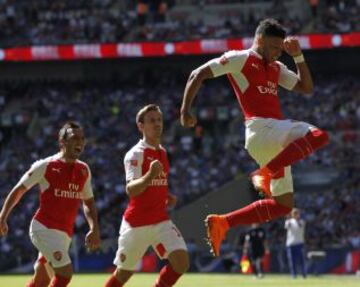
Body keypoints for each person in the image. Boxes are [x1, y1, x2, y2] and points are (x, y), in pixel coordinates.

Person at [180, 18, 329, 256]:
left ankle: (223, 222)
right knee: (319, 135)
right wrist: (185, 111)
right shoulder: (241, 58)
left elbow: (306, 88)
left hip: (272, 141)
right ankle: (265, 174)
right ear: (259, 40)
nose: (278, 53)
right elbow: (196, 75)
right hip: (261, 129)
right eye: (274, 47)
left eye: (281, 49)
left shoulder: (276, 67)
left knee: (283, 205)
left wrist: (298, 56)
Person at [0, 121, 101, 287]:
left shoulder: (84, 170)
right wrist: (2, 216)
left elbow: (88, 202)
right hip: (43, 228)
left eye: (82, 138)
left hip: (64, 234)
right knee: (65, 274)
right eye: (75, 138)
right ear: (62, 142)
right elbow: (19, 190)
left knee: (41, 281)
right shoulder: (45, 166)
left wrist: (94, 228)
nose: (80, 142)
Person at [104, 104, 189, 287]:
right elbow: (131, 190)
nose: (157, 124)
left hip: (161, 220)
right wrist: (150, 175)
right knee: (123, 274)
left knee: (181, 262)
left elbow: (156, 185)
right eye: (151, 120)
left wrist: (167, 195)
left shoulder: (163, 152)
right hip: (137, 224)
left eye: (159, 120)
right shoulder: (135, 154)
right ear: (140, 126)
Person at [285, 208, 306, 278]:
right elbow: (287, 226)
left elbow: (300, 226)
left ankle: (303, 274)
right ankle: (293, 274)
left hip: (299, 243)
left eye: (296, 213)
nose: (295, 215)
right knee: (292, 260)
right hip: (290, 243)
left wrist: (296, 220)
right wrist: (288, 219)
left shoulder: (301, 222)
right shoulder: (289, 221)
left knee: (301, 260)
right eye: (294, 214)